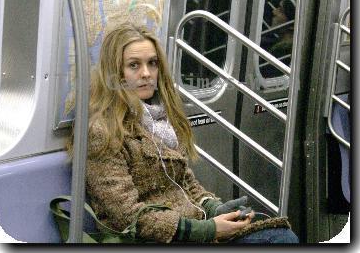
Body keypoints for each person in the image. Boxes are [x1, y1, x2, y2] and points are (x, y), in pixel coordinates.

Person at [72, 23, 299, 244]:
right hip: (152, 238)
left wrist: (215, 209)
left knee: (278, 236)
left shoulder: (163, 119)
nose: (146, 74)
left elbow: (186, 184)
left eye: (152, 63)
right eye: (134, 65)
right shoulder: (103, 131)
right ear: (116, 72)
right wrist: (208, 230)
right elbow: (128, 216)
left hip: (191, 228)